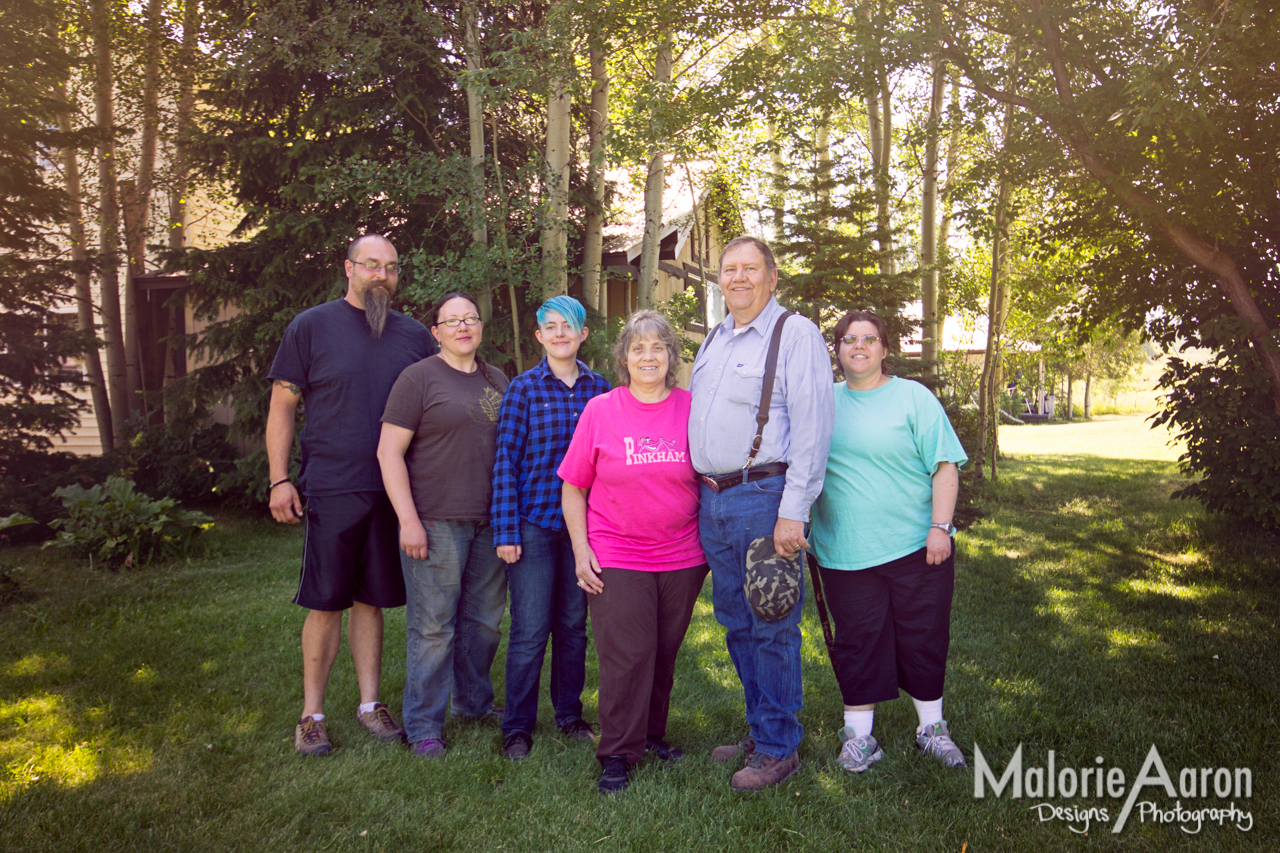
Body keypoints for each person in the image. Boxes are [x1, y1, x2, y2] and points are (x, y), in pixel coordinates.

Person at [266, 234, 436, 756]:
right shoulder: (311, 327)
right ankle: (311, 714)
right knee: (326, 601)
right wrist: (279, 478)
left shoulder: (414, 337)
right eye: (371, 265)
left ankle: (369, 704)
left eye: (391, 266)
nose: (381, 275)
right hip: (333, 484)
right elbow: (281, 409)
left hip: (394, 489)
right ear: (348, 268)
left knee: (373, 600)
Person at [689, 235, 834, 791]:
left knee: (771, 623)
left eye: (751, 269)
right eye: (730, 270)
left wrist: (793, 513)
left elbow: (814, 430)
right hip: (714, 499)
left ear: (772, 279)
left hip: (765, 498)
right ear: (720, 280)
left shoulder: (793, 334)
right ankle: (760, 729)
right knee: (735, 623)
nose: (739, 278)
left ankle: (779, 748)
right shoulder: (715, 338)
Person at [808, 309, 969, 774]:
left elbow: (944, 465)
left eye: (869, 339)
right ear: (836, 350)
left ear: (884, 348)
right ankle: (859, 738)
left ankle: (931, 730)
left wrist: (939, 528)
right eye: (848, 339)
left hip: (916, 546)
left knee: (923, 635)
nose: (859, 346)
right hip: (844, 549)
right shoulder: (823, 402)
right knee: (858, 640)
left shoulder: (912, 398)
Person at [559, 310, 708, 795]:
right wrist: (581, 550)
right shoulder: (602, 410)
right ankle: (618, 753)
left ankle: (651, 734)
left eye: (658, 348)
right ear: (624, 358)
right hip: (617, 553)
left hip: (683, 554)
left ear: (671, 356)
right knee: (627, 655)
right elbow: (573, 487)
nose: (648, 356)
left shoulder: (692, 408)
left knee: (663, 651)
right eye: (638, 348)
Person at [376, 292, 509, 759]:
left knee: (485, 623)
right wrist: (407, 520)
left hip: (491, 522)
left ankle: (473, 703)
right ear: (436, 332)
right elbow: (388, 452)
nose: (462, 327)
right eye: (451, 321)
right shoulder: (418, 379)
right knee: (434, 628)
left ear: (479, 326)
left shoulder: (497, 379)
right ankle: (424, 725)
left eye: (470, 318)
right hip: (434, 521)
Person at [490, 296, 612, 759]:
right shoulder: (523, 389)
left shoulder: (599, 390)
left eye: (570, 326)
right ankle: (518, 727)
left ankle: (569, 715)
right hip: (534, 524)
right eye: (551, 327)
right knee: (530, 628)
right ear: (539, 337)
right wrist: (505, 531)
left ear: (583, 335)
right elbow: (505, 461)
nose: (561, 334)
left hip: (583, 529)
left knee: (572, 625)